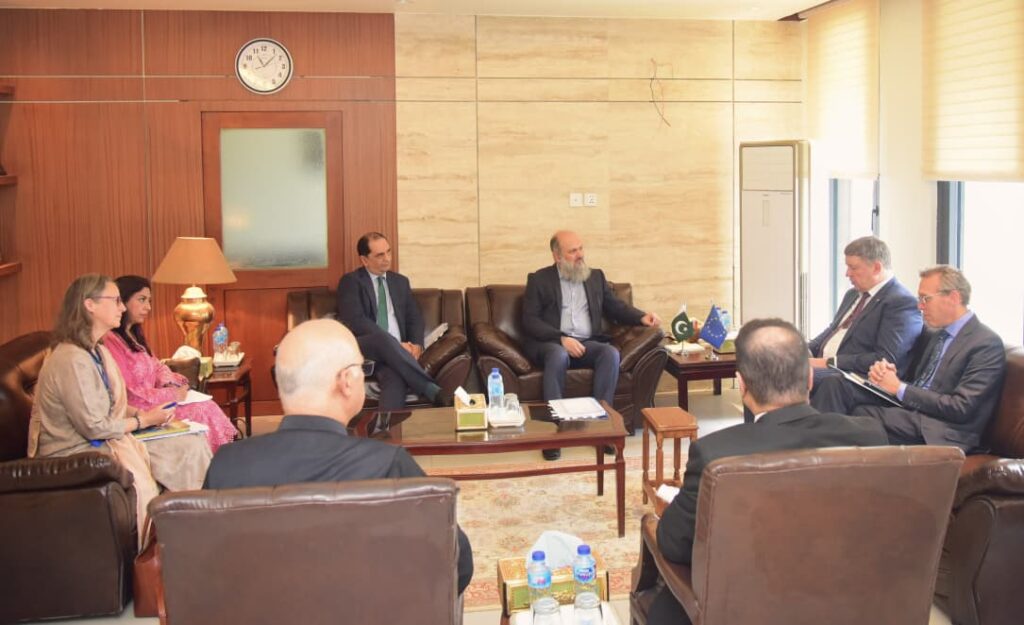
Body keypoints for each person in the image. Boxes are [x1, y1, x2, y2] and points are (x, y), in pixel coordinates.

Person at [204, 318, 473, 594]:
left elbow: (205, 569)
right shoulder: (387, 466)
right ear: (346, 382)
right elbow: (456, 564)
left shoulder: (226, 465)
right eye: (361, 368)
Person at [648, 318, 887, 625]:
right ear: (810, 378)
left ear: (742, 385)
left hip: (743, 607)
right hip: (846, 602)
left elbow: (673, 543)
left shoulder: (714, 453)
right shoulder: (870, 436)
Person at [28, 274, 212, 533]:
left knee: (192, 443)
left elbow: (110, 402)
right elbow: (94, 427)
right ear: (90, 305)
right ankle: (168, 536)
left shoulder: (97, 350)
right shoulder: (71, 359)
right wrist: (142, 421)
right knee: (181, 453)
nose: (123, 308)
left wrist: (146, 414)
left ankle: (194, 527)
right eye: (115, 301)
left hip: (110, 438)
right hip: (77, 452)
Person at [812, 265, 1006, 452]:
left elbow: (960, 408)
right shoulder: (938, 335)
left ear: (953, 297)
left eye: (925, 299)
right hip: (912, 410)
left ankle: (813, 458)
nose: (920, 306)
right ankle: (811, 456)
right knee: (835, 384)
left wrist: (899, 388)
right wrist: (888, 376)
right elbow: (920, 383)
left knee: (855, 416)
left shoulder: (985, 344)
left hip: (941, 429)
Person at [522, 230, 661, 460]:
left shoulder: (595, 277)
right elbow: (530, 320)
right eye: (572, 251)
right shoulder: (539, 280)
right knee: (558, 355)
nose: (580, 255)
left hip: (586, 343)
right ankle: (553, 435)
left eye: (581, 248)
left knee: (610, 353)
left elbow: (615, 306)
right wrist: (561, 338)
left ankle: (602, 429)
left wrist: (641, 317)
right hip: (552, 343)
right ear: (557, 256)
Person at [104, 275, 236, 452]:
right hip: (138, 409)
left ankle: (219, 459)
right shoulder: (110, 341)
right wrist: (172, 395)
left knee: (207, 406)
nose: (148, 307)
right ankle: (213, 460)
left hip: (155, 400)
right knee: (202, 410)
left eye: (149, 301)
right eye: (142, 300)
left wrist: (170, 382)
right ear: (123, 300)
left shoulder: (134, 335)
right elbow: (128, 393)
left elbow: (157, 366)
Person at [336, 232, 444, 409]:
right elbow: (356, 320)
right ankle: (429, 387)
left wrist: (416, 345)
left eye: (388, 252)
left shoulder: (400, 282)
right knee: (382, 339)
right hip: (366, 348)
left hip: (395, 355)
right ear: (364, 260)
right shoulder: (351, 282)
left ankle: (385, 425)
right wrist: (395, 344)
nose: (387, 258)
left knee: (395, 377)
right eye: (380, 255)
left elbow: (414, 318)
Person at [807, 236, 922, 387]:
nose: (847, 274)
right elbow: (832, 330)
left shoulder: (900, 302)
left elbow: (886, 358)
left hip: (856, 376)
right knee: (780, 364)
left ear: (876, 268)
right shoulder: (853, 294)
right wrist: (801, 351)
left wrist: (829, 362)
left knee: (794, 376)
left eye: (853, 268)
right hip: (827, 367)